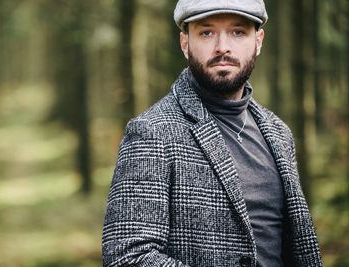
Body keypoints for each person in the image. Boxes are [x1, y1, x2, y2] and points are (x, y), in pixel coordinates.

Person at [102, 0, 323, 266]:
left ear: (259, 40)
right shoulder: (151, 133)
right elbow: (127, 256)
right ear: (185, 43)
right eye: (206, 32)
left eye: (238, 32)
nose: (222, 47)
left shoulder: (279, 133)